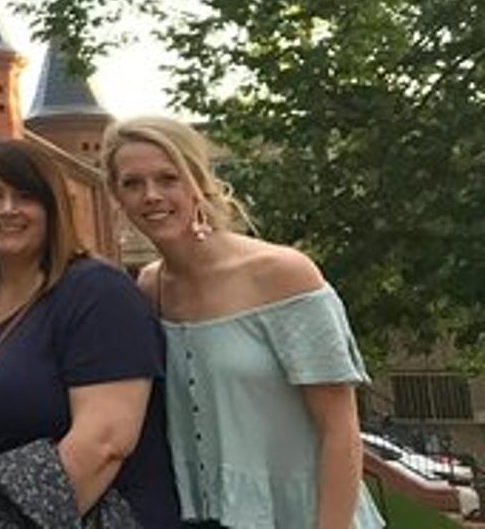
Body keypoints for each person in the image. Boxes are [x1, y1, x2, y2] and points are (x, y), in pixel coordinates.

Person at [103, 116, 382, 529]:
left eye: (168, 178)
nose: (152, 195)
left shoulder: (284, 274)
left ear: (198, 182)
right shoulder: (149, 288)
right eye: (132, 183)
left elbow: (340, 430)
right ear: (116, 196)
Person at [0, 139, 179, 528]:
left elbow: (104, 442)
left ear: (54, 206)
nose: (7, 209)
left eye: (25, 195)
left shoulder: (97, 293)